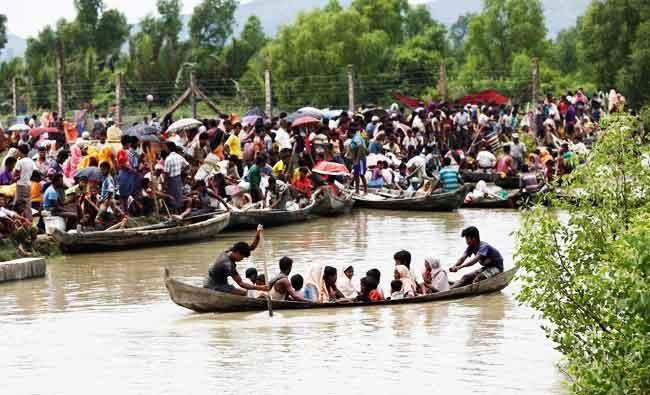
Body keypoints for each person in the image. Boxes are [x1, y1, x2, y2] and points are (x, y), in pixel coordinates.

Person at [203, 225, 268, 295]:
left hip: (219, 280)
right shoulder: (228, 264)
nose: (242, 259)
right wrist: (260, 288)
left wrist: (258, 234)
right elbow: (241, 283)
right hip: (214, 285)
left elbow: (252, 247)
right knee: (244, 293)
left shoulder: (232, 250)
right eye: (242, 257)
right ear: (237, 253)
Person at [14, 144, 35, 222]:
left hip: (21, 185)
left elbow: (15, 174)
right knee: (27, 204)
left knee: (19, 205)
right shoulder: (31, 161)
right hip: (28, 185)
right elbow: (35, 172)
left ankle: (22, 221)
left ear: (20, 151)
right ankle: (29, 220)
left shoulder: (20, 161)